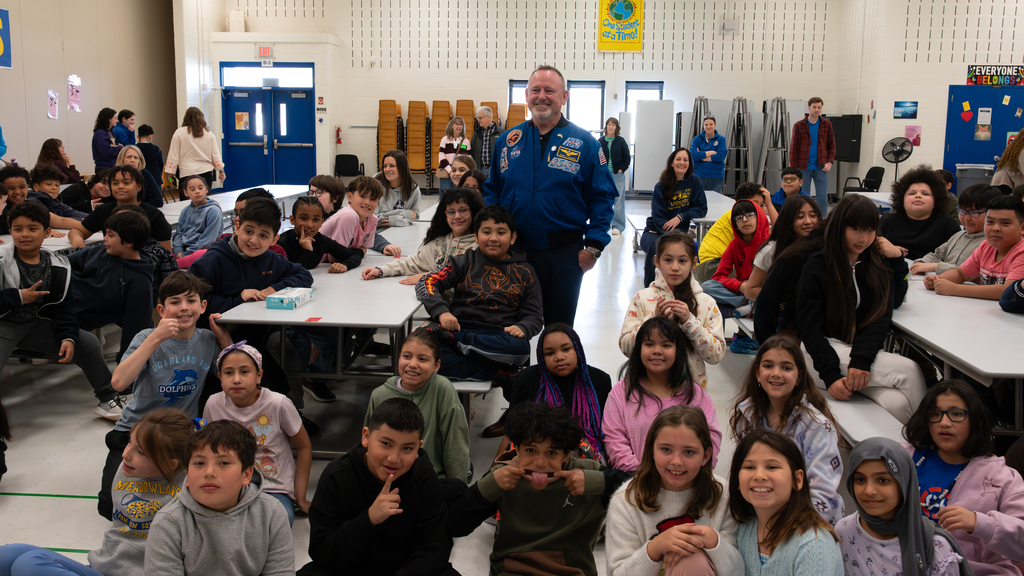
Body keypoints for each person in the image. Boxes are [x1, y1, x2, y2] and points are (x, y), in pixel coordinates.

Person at [484, 65, 617, 327]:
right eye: (536, 90)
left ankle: (554, 370)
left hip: (564, 254)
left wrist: (594, 247)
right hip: (516, 252)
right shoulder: (508, 142)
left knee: (559, 331)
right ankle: (519, 370)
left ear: (564, 97)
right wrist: (494, 236)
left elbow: (603, 198)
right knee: (511, 327)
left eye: (549, 90)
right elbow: (493, 192)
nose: (541, 96)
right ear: (526, 95)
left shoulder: (586, 143)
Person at [0, 409, 196, 576]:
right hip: (104, 565)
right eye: (130, 442)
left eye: (141, 452)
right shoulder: (129, 467)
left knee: (28, 565)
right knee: (7, 555)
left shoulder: (190, 489)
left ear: (170, 465)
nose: (126, 454)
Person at [100, 272, 231, 520]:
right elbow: (118, 382)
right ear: (162, 309)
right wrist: (155, 337)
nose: (183, 308)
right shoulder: (145, 338)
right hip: (134, 431)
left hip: (179, 436)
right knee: (109, 507)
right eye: (175, 301)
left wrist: (224, 338)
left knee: (192, 505)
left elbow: (232, 377)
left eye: (191, 300)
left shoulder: (207, 340)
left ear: (202, 306)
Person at [447, 401, 627, 576]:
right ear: (517, 449)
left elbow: (647, 487)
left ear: (566, 454)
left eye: (551, 453)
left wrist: (600, 481)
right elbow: (456, 526)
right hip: (512, 569)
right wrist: (486, 488)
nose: (540, 463)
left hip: (572, 571)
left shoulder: (588, 474)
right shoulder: (504, 475)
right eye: (531, 451)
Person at [797, 194, 926, 423]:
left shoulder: (876, 265)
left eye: (870, 230)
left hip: (854, 354)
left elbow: (881, 318)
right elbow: (809, 329)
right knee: (910, 371)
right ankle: (928, 444)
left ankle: (895, 453)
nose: (864, 238)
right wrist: (831, 376)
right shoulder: (818, 265)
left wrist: (861, 360)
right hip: (821, 356)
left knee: (895, 404)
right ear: (839, 227)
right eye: (856, 229)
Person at [298, 398, 460, 576]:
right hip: (349, 567)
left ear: (418, 448)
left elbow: (435, 547)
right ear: (366, 436)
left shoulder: (424, 476)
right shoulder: (337, 475)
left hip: (405, 568)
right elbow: (322, 552)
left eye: (407, 448)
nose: (394, 458)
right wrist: (368, 519)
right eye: (386, 444)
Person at [188, 198, 314, 413]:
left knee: (277, 370)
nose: (253, 240)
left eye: (263, 235)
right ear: (237, 226)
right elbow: (195, 305)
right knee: (249, 377)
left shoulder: (271, 259)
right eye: (248, 231)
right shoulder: (212, 261)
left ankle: (289, 414)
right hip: (214, 337)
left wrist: (276, 287)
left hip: (253, 334)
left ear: (274, 239)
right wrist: (238, 299)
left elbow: (303, 275)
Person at [0, 200, 124, 419]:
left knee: (87, 342)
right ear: (10, 231)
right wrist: (18, 297)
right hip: (4, 325)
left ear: (47, 232)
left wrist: (67, 336)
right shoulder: (2, 261)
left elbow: (64, 307)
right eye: (17, 229)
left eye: (32, 228)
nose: (24, 234)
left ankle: (107, 398)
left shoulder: (58, 265)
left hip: (37, 326)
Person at [903, 380, 1024, 575]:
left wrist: (981, 524)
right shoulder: (904, 458)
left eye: (956, 414)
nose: (944, 422)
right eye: (935, 413)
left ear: (977, 420)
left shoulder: (1003, 477)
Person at [144, 420, 294, 576]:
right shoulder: (168, 522)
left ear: (246, 475)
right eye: (199, 463)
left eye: (223, 462)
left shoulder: (272, 514)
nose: (209, 472)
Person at [606, 405, 743, 576]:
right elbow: (617, 573)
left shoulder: (724, 496)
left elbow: (738, 570)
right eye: (666, 449)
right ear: (651, 450)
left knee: (692, 560)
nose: (676, 461)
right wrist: (654, 548)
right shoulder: (626, 499)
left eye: (689, 452)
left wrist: (712, 540)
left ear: (706, 456)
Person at [415, 205, 543, 382]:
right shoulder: (463, 261)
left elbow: (535, 316)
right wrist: (442, 311)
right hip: (459, 326)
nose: (493, 238)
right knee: (419, 353)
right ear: (476, 236)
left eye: (501, 232)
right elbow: (427, 282)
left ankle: (456, 344)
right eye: (486, 232)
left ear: (513, 237)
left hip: (499, 336)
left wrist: (523, 328)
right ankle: (497, 372)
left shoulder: (525, 272)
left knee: (519, 350)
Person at [729, 334, 844, 526]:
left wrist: (785, 529)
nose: (776, 373)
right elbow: (743, 472)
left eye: (786, 367)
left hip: (803, 521)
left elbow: (823, 496)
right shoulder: (747, 414)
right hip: (760, 512)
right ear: (757, 373)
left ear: (799, 377)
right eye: (768, 366)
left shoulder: (816, 426)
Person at [204, 341, 313, 526]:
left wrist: (300, 497)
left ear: (259, 376)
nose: (236, 379)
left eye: (245, 372)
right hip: (231, 483)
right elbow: (208, 450)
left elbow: (304, 447)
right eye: (229, 373)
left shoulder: (278, 403)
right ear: (220, 377)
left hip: (273, 487)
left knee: (276, 521)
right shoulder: (213, 403)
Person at [837, 437, 969, 576]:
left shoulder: (934, 546)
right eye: (860, 479)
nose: (869, 490)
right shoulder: (844, 532)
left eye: (883, 480)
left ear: (904, 483)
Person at [603, 317, 721, 472]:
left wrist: (682, 474)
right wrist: (643, 477)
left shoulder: (696, 395)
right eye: (649, 344)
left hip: (685, 480)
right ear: (639, 350)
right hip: (636, 482)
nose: (657, 350)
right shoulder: (621, 393)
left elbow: (711, 440)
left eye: (666, 345)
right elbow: (614, 441)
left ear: (678, 351)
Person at [728, 430, 843, 576]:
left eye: (772, 467)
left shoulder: (814, 544)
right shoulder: (744, 527)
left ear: (798, 479)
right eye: (749, 467)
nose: (759, 476)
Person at [363, 328, 470, 483]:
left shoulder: (442, 389)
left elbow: (455, 443)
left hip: (430, 479)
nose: (413, 364)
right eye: (407, 356)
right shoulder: (379, 395)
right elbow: (370, 444)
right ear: (398, 357)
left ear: (436, 365)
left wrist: (458, 487)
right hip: (389, 479)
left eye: (422, 359)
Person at [620, 231, 725, 390]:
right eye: (668, 260)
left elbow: (715, 355)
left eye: (682, 261)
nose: (675, 267)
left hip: (690, 394)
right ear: (657, 261)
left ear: (694, 263)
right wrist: (652, 320)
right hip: (646, 390)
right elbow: (626, 347)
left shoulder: (706, 303)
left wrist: (691, 323)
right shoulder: (642, 298)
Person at [489, 322, 613, 450]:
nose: (559, 357)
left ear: (577, 349)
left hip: (586, 454)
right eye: (549, 353)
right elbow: (511, 432)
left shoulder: (599, 380)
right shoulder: (528, 378)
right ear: (541, 357)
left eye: (566, 349)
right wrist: (494, 468)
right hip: (537, 452)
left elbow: (609, 433)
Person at [68, 209, 154, 362]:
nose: (105, 239)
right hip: (55, 297)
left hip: (68, 317)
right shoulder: (100, 251)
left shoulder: (139, 283)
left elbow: (135, 330)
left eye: (110, 235)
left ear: (128, 241)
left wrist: (125, 365)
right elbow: (62, 264)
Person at [362, 187, 481, 284]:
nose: (457, 216)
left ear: (473, 212)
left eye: (463, 210)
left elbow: (466, 277)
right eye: (451, 212)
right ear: (445, 216)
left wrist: (430, 277)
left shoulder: (480, 246)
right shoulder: (438, 243)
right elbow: (411, 264)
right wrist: (381, 271)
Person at [925, 195, 1024, 300]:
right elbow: (961, 273)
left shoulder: (1021, 252)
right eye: (990, 222)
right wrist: (937, 280)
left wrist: (955, 289)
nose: (995, 228)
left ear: (1022, 228)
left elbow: (1008, 292)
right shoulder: (985, 247)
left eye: (1005, 223)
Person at [640, 148, 708, 287]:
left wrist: (681, 216)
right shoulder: (661, 186)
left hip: (679, 232)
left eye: (685, 160)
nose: (681, 162)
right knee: (657, 247)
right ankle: (649, 290)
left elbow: (701, 209)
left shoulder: (694, 182)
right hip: (655, 231)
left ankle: (681, 289)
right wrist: (672, 239)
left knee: (682, 251)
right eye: (678, 159)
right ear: (671, 163)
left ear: (689, 163)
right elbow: (659, 219)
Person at [69, 164, 173, 252]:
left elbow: (165, 253)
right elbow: (77, 231)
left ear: (139, 187)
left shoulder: (154, 215)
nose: (120, 186)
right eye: (115, 183)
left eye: (126, 183)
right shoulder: (103, 211)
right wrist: (78, 242)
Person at [700, 199, 770, 316]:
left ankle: (747, 306)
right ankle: (748, 304)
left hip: (761, 290)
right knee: (707, 286)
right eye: (739, 217)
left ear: (759, 218)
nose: (745, 220)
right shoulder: (734, 245)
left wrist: (753, 288)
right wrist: (740, 286)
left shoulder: (769, 244)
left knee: (768, 294)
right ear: (735, 225)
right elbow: (718, 276)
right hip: (742, 291)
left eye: (750, 215)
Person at [743, 195, 821, 301]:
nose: (808, 221)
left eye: (812, 215)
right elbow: (750, 291)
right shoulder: (772, 250)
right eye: (800, 217)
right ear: (788, 220)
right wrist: (788, 297)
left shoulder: (824, 247)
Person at [911, 184, 1000, 276]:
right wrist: (922, 263)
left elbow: (973, 272)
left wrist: (936, 266)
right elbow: (937, 255)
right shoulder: (958, 236)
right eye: (962, 211)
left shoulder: (992, 243)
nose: (966, 218)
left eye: (974, 213)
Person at [879, 165, 960, 260]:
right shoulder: (887, 221)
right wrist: (886, 251)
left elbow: (957, 258)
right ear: (902, 200)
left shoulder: (947, 224)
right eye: (912, 193)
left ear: (936, 201)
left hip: (933, 273)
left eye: (925, 194)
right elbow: (870, 249)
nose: (918, 196)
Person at [696, 183, 778, 266]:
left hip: (714, 262)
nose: (759, 208)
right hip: (712, 263)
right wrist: (769, 204)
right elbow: (778, 231)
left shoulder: (743, 215)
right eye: (756, 204)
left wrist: (768, 204)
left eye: (762, 205)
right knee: (763, 269)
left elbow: (776, 231)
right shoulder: (739, 217)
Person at [320, 175, 398, 257]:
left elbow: (363, 248)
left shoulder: (372, 219)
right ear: (350, 197)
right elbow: (334, 257)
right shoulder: (349, 216)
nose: (367, 202)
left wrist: (360, 251)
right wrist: (360, 252)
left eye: (373, 198)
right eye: (362, 196)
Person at [278, 196, 362, 271]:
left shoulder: (320, 240)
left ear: (321, 222)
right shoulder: (281, 244)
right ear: (292, 219)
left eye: (316, 220)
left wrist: (345, 266)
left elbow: (354, 255)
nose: (310, 225)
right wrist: (307, 251)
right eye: (303, 218)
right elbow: (291, 272)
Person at [789, 97, 836, 216]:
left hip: (821, 166)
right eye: (814, 107)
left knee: (822, 199)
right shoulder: (799, 125)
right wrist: (793, 169)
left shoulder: (827, 125)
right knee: (803, 198)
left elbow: (832, 145)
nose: (816, 110)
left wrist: (830, 162)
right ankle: (803, 220)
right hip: (803, 167)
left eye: (819, 107)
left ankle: (822, 224)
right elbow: (793, 148)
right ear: (809, 107)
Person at [164, 106, 225, 196]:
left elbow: (173, 155)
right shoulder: (209, 134)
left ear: (186, 118)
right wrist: (221, 171)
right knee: (204, 201)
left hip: (187, 173)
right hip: (206, 172)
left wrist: (171, 174)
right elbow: (215, 155)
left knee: (186, 202)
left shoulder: (179, 133)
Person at [172, 175, 223, 259]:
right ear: (186, 193)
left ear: (206, 189)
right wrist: (178, 250)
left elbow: (208, 240)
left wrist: (185, 254)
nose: (197, 191)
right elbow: (179, 233)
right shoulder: (185, 211)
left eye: (200, 188)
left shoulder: (213, 211)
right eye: (192, 189)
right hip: (184, 250)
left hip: (203, 251)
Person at [27, 164, 88, 228]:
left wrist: (93, 218)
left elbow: (73, 213)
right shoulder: (32, 204)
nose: (54, 188)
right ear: (36, 187)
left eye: (57, 185)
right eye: (49, 184)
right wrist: (87, 221)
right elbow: (59, 221)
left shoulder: (57, 203)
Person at [375, 149, 421, 228]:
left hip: (401, 231)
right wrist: (405, 214)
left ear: (402, 167)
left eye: (392, 166)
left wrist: (395, 221)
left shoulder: (413, 189)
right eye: (385, 166)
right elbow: (372, 219)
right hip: (377, 233)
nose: (387, 169)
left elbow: (415, 217)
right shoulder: (376, 187)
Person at [603, 117, 631, 235]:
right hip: (604, 175)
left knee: (618, 201)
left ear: (616, 127)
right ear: (606, 127)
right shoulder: (600, 141)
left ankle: (618, 226)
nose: (611, 126)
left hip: (617, 175)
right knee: (604, 200)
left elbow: (627, 158)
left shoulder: (621, 141)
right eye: (609, 124)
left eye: (613, 125)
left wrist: (621, 169)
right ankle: (604, 225)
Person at [690, 116, 727, 193]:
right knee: (697, 200)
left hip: (716, 176)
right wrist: (711, 153)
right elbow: (693, 155)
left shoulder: (721, 139)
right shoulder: (697, 139)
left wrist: (701, 156)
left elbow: (721, 156)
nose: (708, 127)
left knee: (715, 201)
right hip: (698, 175)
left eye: (711, 124)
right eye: (706, 125)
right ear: (703, 126)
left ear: (715, 125)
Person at [437, 116, 470, 194]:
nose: (459, 126)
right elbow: (441, 157)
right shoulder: (444, 139)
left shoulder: (466, 141)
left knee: (459, 195)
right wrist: (450, 171)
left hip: (459, 174)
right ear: (452, 125)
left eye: (461, 125)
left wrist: (459, 171)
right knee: (445, 195)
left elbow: (468, 158)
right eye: (457, 124)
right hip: (446, 172)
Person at [92, 107, 124, 172]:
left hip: (111, 166)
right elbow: (105, 151)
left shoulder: (109, 132)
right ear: (109, 119)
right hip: (104, 168)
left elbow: (112, 145)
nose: (117, 121)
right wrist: (119, 147)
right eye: (115, 118)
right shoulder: (100, 133)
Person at [471, 105, 500, 174]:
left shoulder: (501, 133)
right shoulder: (476, 134)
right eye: (478, 118)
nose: (478, 120)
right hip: (480, 169)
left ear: (488, 117)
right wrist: (462, 145)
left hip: (495, 170)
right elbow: (471, 149)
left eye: (480, 118)